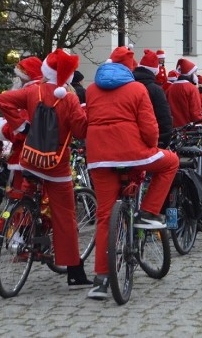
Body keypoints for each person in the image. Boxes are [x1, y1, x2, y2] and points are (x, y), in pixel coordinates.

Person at [85, 46, 179, 300]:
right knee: (171, 163)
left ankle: (101, 279)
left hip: (99, 157)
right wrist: (151, 146)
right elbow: (149, 127)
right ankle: (148, 212)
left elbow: (87, 120)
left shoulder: (93, 89)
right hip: (132, 153)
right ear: (130, 67)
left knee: (105, 216)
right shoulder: (137, 88)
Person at [0, 49, 91, 287]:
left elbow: (3, 99)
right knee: (65, 216)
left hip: (30, 159)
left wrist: (21, 126)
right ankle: (75, 272)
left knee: (27, 194)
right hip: (55, 163)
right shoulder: (69, 98)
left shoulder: (32, 90)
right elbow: (81, 131)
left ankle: (26, 233)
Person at [0, 56, 44, 192]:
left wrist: (1, 127)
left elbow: (21, 131)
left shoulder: (28, 92)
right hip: (40, 150)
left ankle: (23, 213)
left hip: (25, 152)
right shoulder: (42, 89)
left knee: (22, 191)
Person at [134, 49, 174, 149]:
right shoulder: (155, 90)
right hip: (149, 141)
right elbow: (164, 118)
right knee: (173, 162)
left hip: (129, 139)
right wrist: (163, 141)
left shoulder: (129, 86)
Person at [166, 58, 202, 127]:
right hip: (188, 130)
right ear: (190, 74)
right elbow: (196, 112)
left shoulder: (170, 88)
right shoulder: (192, 89)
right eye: (194, 73)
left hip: (174, 128)